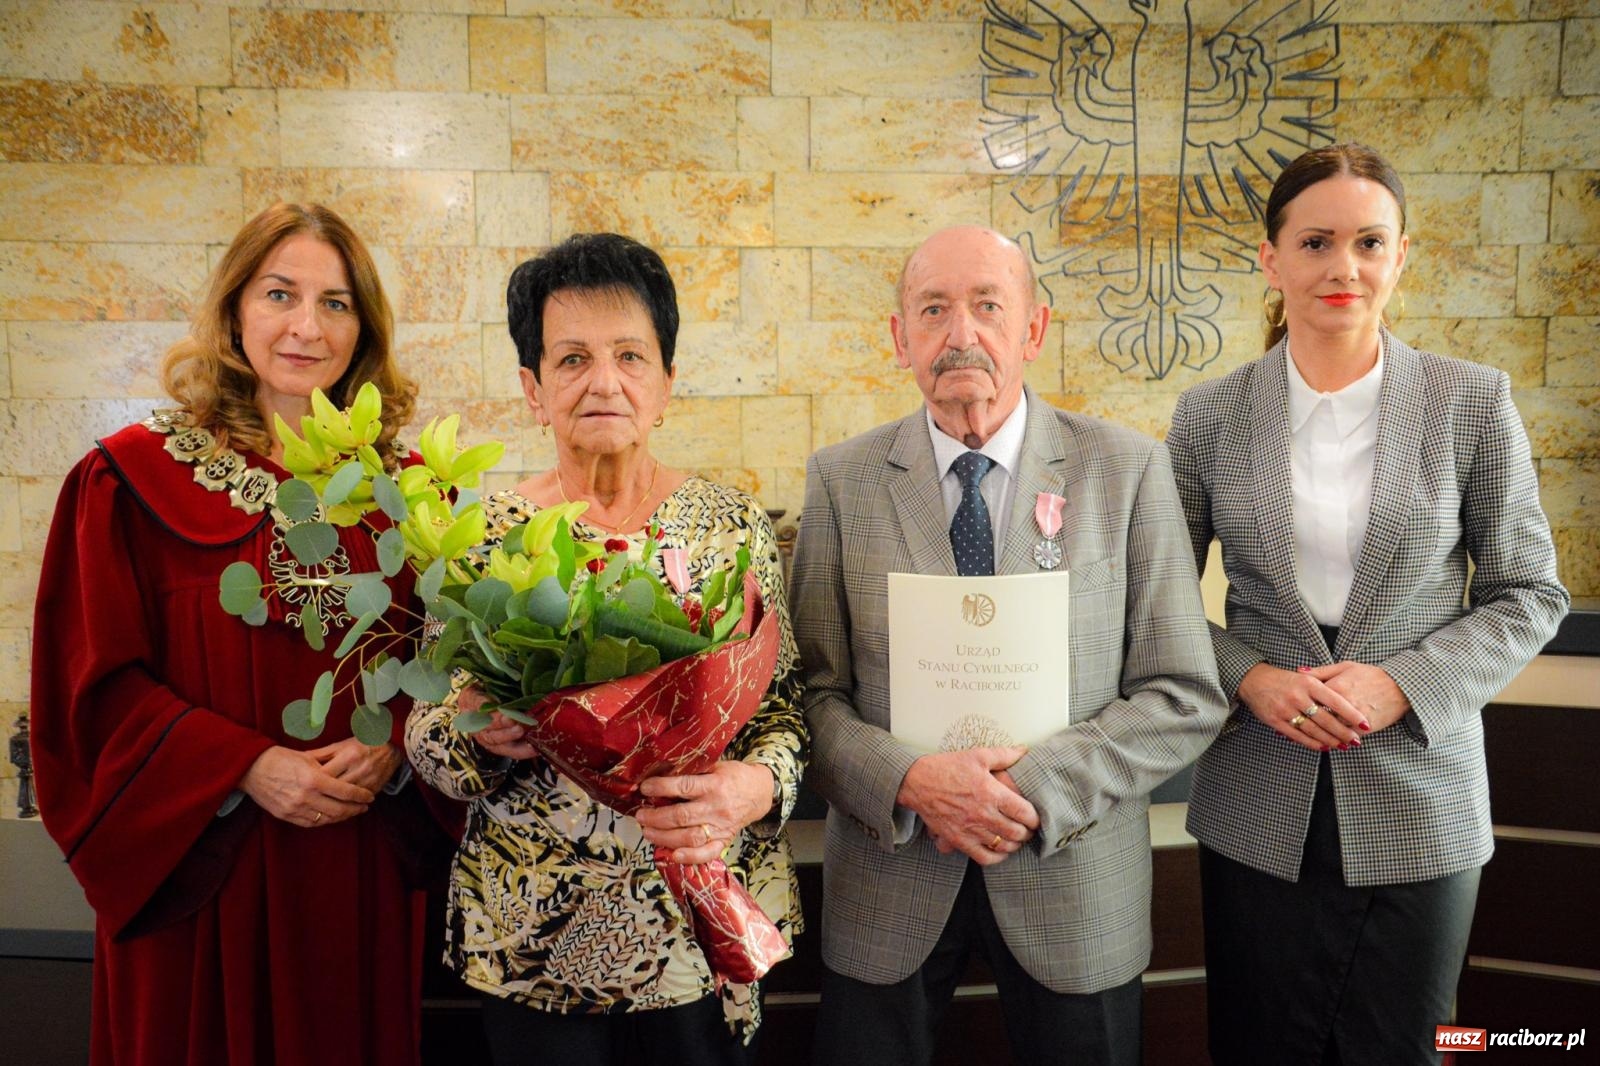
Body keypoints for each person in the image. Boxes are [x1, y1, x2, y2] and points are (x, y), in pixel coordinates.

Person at [1165, 143, 1570, 1065]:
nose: (1342, 267)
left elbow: (1529, 592)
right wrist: (1252, 677)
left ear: (1400, 257)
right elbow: (1155, 600)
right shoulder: (1210, 415)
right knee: (1261, 1045)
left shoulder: (1472, 401)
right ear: (1271, 261)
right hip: (1257, 794)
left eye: (1367, 242)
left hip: (1423, 790)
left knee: (1409, 1045)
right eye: (1315, 243)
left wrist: (1403, 684)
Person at [789, 224, 1227, 1066]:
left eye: (988, 306)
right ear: (899, 337)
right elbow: (811, 693)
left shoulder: (1128, 470)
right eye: (934, 309)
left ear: (1033, 329)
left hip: (1075, 877)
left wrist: (1026, 787)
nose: (961, 334)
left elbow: (1184, 692)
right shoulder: (840, 480)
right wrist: (913, 780)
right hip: (891, 877)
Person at [30, 202, 449, 1065]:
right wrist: (244, 766)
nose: (307, 326)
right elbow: (90, 691)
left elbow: (447, 666)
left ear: (363, 328)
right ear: (234, 309)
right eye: (280, 294)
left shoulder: (411, 492)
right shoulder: (125, 482)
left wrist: (400, 744)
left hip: (353, 868)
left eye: (336, 303)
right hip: (196, 871)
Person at [404, 232, 806, 1066]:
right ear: (533, 388)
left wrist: (753, 785)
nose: (604, 381)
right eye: (573, 358)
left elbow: (785, 711)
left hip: (698, 929)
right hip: (533, 939)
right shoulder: (484, 543)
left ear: (665, 384)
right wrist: (473, 736)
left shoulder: (729, 531)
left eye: (631, 356)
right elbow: (427, 740)